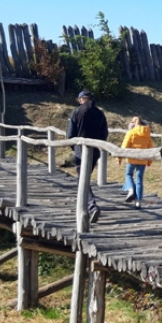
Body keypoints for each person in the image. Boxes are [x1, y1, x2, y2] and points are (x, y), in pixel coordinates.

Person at [66, 90, 109, 224]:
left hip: (80, 150)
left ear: (80, 100)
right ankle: (89, 205)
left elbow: (70, 135)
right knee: (84, 178)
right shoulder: (100, 113)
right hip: (95, 150)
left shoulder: (77, 112)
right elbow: (104, 133)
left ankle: (91, 206)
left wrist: (75, 148)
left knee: (82, 179)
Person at [118, 117, 155, 209]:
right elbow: (151, 148)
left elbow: (124, 146)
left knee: (128, 175)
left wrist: (120, 158)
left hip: (131, 159)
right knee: (139, 180)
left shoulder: (131, 132)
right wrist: (149, 161)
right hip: (143, 160)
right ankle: (138, 201)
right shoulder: (148, 134)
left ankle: (131, 190)